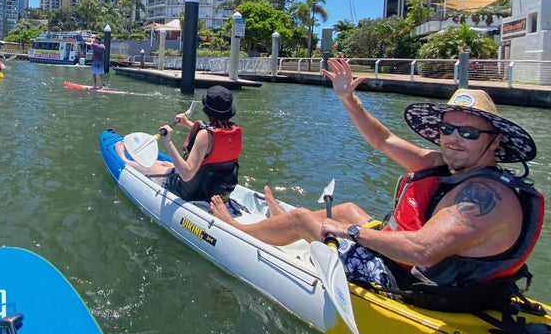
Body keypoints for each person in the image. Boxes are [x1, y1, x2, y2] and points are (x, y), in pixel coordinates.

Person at [210, 58, 542, 297]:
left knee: (310, 218)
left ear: (494, 141)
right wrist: (347, 98)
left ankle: (238, 228)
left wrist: (348, 232)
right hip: (410, 265)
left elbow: (423, 251)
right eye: (447, 129)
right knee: (346, 208)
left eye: (469, 132)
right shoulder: (445, 164)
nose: (454, 138)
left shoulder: (484, 195)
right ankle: (279, 224)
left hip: (412, 282)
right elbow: (382, 139)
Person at [118, 85, 243, 203]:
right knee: (164, 163)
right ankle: (139, 162)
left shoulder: (205, 135)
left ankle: (124, 159)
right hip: (215, 189)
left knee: (146, 167)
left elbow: (187, 175)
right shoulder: (234, 131)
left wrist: (168, 141)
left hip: (191, 191)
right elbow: (214, 144)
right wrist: (188, 124)